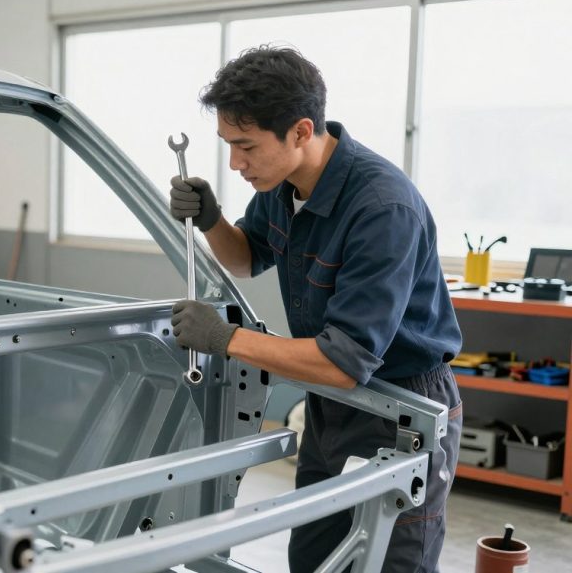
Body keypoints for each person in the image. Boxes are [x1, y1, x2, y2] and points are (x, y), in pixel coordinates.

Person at [168, 45, 463, 573]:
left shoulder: (381, 209)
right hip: (331, 407)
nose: (236, 163)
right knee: (314, 558)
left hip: (402, 408)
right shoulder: (283, 185)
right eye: (229, 145)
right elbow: (246, 257)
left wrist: (225, 339)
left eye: (246, 146)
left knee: (387, 563)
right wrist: (212, 218)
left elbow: (342, 362)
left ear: (301, 132)